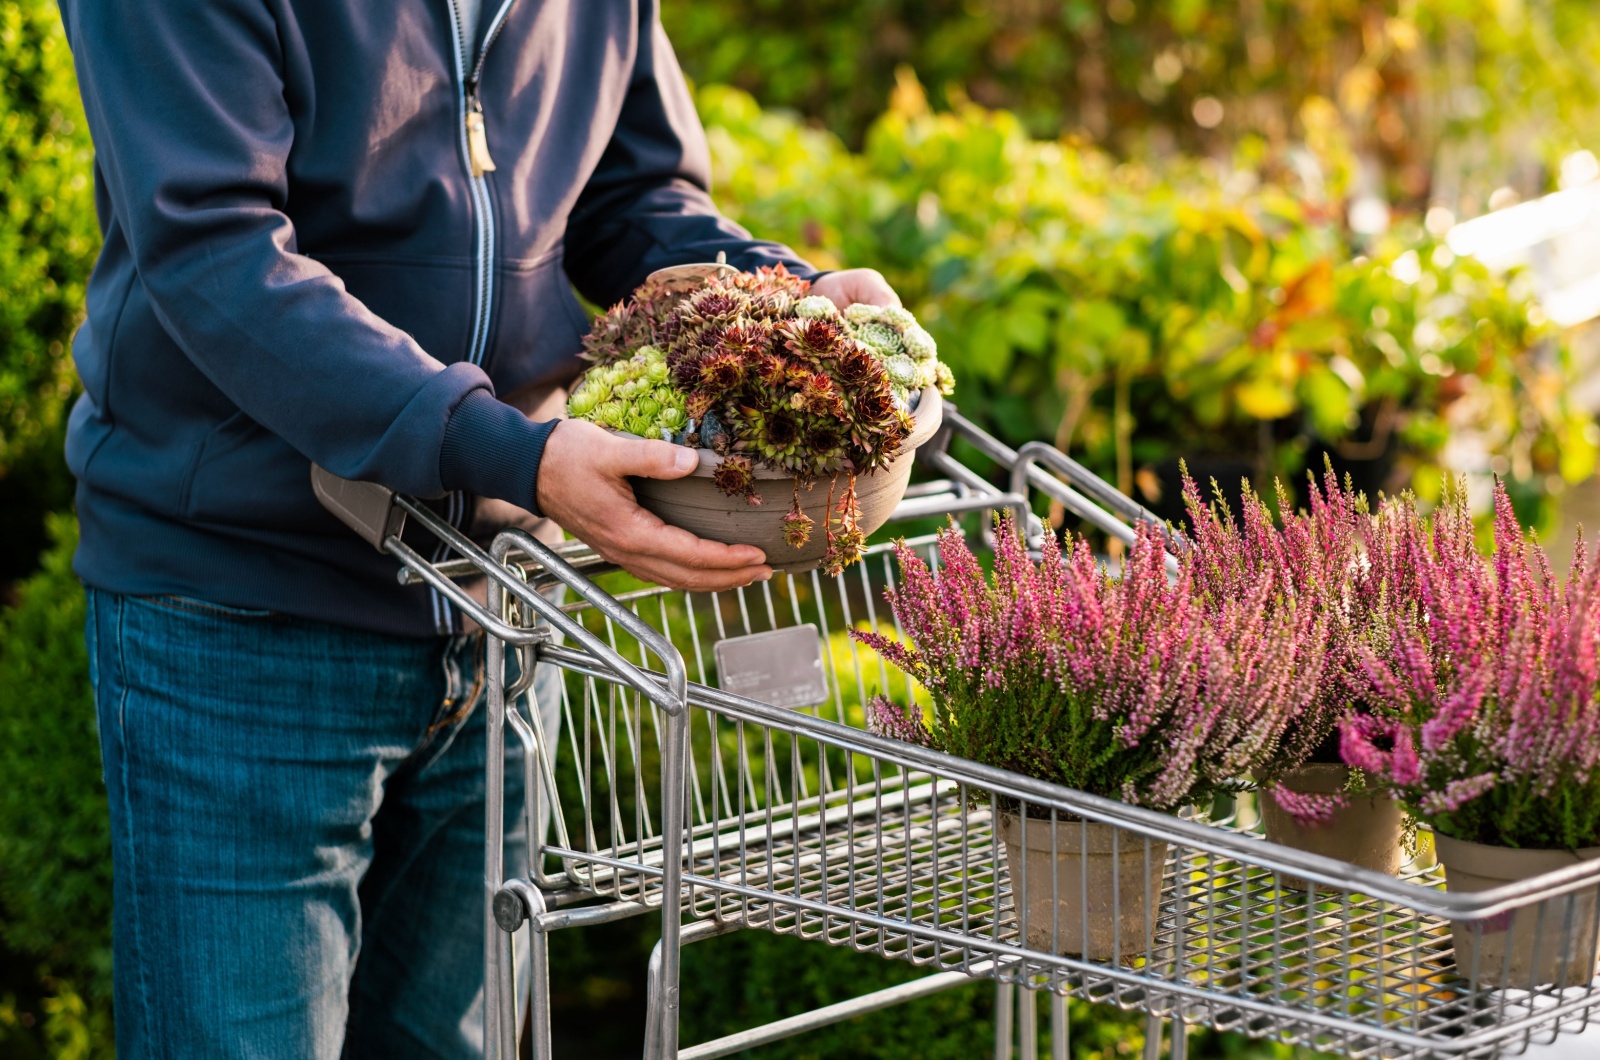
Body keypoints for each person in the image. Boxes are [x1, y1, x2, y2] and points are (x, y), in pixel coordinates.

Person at [59, 1, 899, 1056]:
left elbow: (630, 199)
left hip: (501, 608)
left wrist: (801, 308)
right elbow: (216, 253)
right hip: (246, 607)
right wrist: (513, 453)